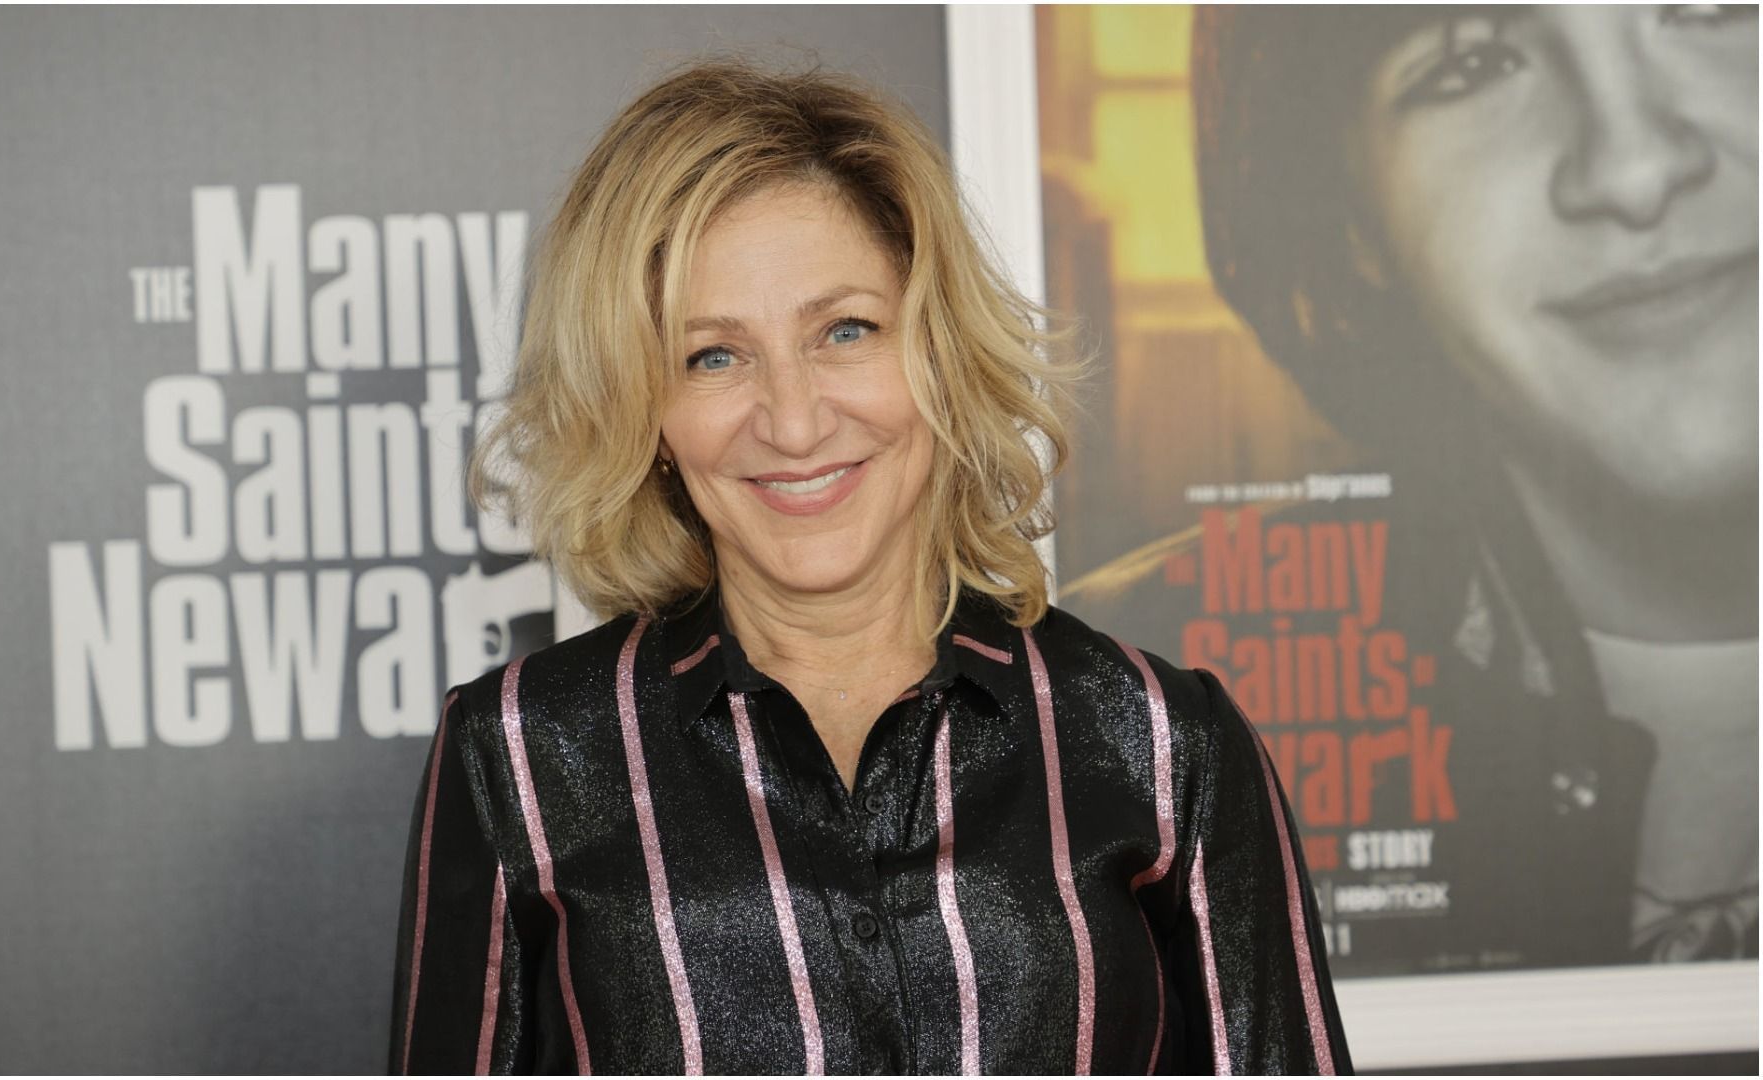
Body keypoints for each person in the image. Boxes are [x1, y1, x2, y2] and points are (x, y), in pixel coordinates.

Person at [389, 59, 1351, 1074]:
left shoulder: (1163, 741)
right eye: (711, 356)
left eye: (845, 330)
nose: (794, 420)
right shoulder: (523, 756)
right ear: (646, 413)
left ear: (939, 353)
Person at [1190, 6, 1757, 966]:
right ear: (1353, 222)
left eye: (1715, 8)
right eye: (1473, 64)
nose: (1633, 169)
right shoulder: (1132, 708)